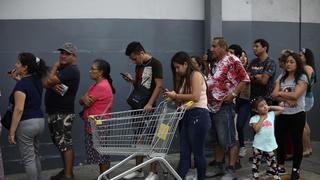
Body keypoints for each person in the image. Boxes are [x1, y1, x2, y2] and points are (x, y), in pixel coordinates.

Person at [206, 37, 249, 179]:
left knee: (229, 138)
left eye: (214, 46)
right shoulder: (216, 62)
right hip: (212, 105)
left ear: (223, 47)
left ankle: (231, 169)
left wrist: (234, 94)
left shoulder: (233, 60)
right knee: (217, 138)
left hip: (225, 105)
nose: (211, 49)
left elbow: (245, 78)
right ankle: (219, 166)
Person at [164, 51, 211, 180]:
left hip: (198, 116)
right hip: (188, 116)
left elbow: (195, 97)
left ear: (186, 64)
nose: (177, 71)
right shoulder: (185, 78)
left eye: (178, 67)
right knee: (184, 154)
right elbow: (186, 99)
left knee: (198, 154)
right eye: (175, 68)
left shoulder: (195, 75)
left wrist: (176, 96)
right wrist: (173, 97)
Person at [122, 41, 163, 180]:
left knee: (152, 139)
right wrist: (132, 81)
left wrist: (150, 103)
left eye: (134, 58)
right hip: (137, 106)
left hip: (149, 107)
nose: (134, 62)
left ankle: (153, 172)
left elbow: (158, 86)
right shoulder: (139, 66)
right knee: (138, 138)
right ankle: (138, 170)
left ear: (141, 53)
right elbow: (141, 86)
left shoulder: (155, 64)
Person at [7, 52, 47, 180]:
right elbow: (29, 89)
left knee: (28, 159)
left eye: (18, 63)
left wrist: (12, 132)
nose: (15, 65)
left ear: (25, 67)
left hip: (26, 124)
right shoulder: (36, 80)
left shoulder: (22, 86)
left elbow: (19, 109)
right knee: (35, 156)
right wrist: (18, 79)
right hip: (39, 122)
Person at [43, 43, 80, 180]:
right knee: (61, 144)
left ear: (74, 56)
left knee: (65, 144)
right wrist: (52, 84)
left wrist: (54, 67)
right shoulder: (64, 70)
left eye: (67, 53)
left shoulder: (71, 70)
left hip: (62, 113)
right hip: (56, 112)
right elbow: (47, 83)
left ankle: (68, 175)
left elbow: (47, 82)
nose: (63, 56)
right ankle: (66, 171)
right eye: (62, 53)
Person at [271, 52, 308, 179]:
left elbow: (296, 95)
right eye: (287, 62)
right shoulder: (281, 77)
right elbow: (274, 95)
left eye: (291, 62)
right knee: (279, 140)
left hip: (297, 114)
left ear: (297, 63)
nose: (288, 64)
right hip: (282, 113)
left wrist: (282, 94)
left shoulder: (302, 77)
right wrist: (287, 99)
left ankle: (295, 169)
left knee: (296, 141)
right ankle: (280, 166)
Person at [79, 59, 116, 177]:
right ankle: (103, 176)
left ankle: (105, 178)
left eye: (92, 69)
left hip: (98, 125)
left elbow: (86, 103)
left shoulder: (101, 86)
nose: (90, 71)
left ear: (100, 72)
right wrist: (83, 99)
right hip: (96, 124)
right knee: (101, 153)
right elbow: (82, 100)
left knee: (101, 154)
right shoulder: (96, 85)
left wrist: (84, 99)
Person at [249, 97, 284, 180]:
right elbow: (256, 130)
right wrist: (262, 118)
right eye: (261, 106)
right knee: (256, 163)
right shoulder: (254, 118)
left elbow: (281, 109)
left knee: (272, 162)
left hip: (269, 145)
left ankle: (275, 175)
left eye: (265, 104)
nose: (265, 106)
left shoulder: (271, 114)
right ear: (256, 110)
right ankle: (255, 177)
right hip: (258, 146)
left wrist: (270, 107)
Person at [247, 39, 276, 104]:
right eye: (253, 47)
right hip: (252, 100)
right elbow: (246, 77)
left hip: (265, 100)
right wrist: (257, 77)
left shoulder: (270, 62)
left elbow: (264, 81)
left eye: (257, 46)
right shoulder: (253, 62)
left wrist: (252, 77)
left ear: (264, 48)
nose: (254, 48)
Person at [300, 48, 316, 157]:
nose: (299, 57)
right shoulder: (309, 67)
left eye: (301, 55)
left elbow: (305, 83)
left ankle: (305, 149)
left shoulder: (307, 68)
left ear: (306, 57)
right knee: (305, 124)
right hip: (307, 97)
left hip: (305, 98)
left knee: (301, 125)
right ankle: (308, 148)